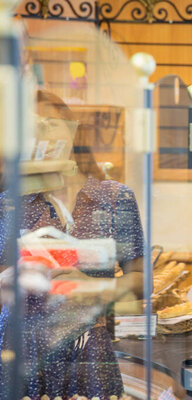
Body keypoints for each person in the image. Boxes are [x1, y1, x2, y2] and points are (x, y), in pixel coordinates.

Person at [0, 90, 144, 399]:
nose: (40, 132)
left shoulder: (114, 198)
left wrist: (93, 286)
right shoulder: (7, 203)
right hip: (16, 351)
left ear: (73, 128)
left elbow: (142, 281)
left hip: (88, 351)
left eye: (49, 122)